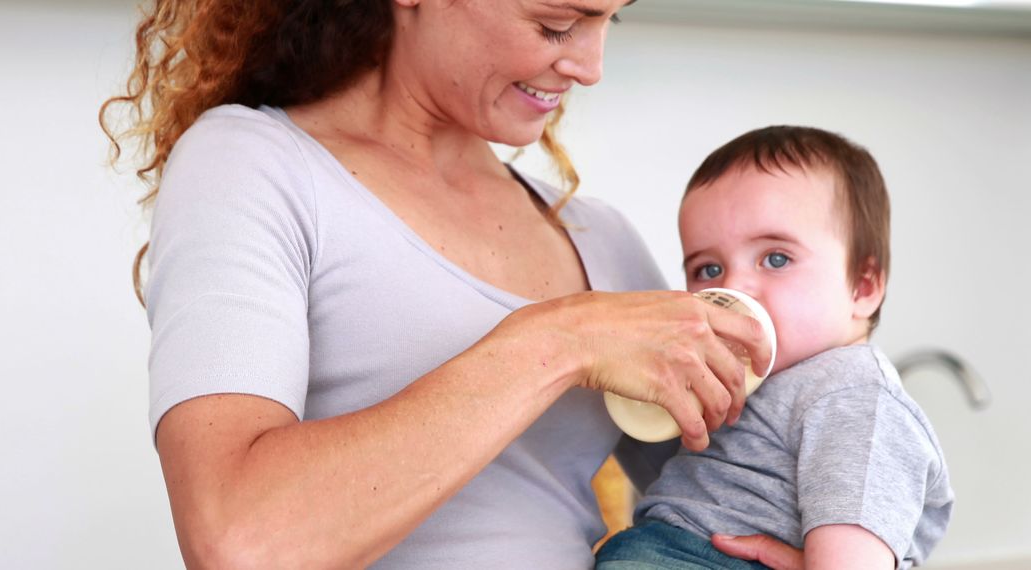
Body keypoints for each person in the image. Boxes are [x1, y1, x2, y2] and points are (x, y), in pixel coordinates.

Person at [101, 1, 803, 568]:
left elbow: (739, 493)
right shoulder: (251, 166)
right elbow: (240, 543)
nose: (590, 68)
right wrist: (558, 340)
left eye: (609, 21)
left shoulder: (599, 238)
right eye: (557, 24)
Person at [595, 126, 955, 569]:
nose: (733, 286)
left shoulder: (854, 398)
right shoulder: (745, 378)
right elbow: (672, 472)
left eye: (776, 258)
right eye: (708, 269)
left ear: (863, 286)